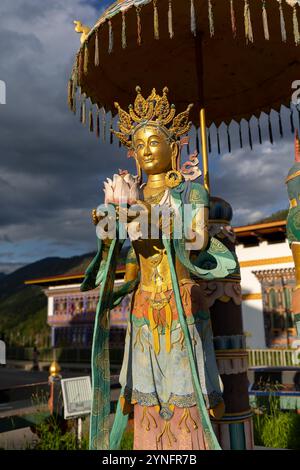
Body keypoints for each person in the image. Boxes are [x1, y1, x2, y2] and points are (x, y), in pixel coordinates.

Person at [82, 87, 237, 450]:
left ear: (175, 147)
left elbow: (197, 241)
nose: (147, 149)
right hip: (144, 305)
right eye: (140, 144)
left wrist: (147, 216)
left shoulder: (191, 192)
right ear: (133, 154)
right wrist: (107, 231)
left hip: (181, 299)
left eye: (155, 141)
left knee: (187, 390)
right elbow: (130, 265)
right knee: (146, 397)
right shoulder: (132, 196)